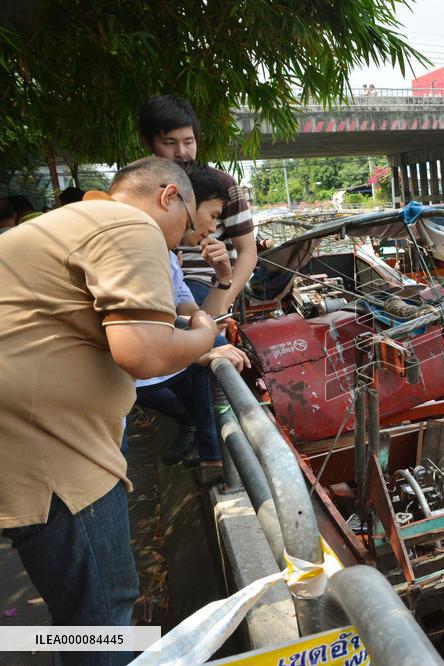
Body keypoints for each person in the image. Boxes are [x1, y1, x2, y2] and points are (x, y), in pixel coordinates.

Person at [0, 157, 219, 663]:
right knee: (102, 613)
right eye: (185, 226)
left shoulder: (62, 223)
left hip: (30, 445)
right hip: (54, 459)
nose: (178, 243)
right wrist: (204, 336)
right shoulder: (130, 224)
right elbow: (142, 353)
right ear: (168, 196)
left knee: (76, 612)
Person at [137, 161, 238, 468]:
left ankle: (210, 450)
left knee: (215, 347)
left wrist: (223, 277)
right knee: (213, 360)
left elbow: (192, 312)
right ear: (178, 200)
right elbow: (144, 339)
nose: (210, 229)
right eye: (212, 216)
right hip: (124, 378)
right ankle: (213, 454)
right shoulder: (140, 247)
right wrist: (205, 348)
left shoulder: (166, 255)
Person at [139, 95, 256, 310]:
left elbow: (248, 252)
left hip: (204, 282)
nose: (181, 152)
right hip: (159, 279)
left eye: (188, 142)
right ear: (149, 143)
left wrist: (224, 301)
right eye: (169, 143)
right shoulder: (142, 188)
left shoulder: (220, 185)